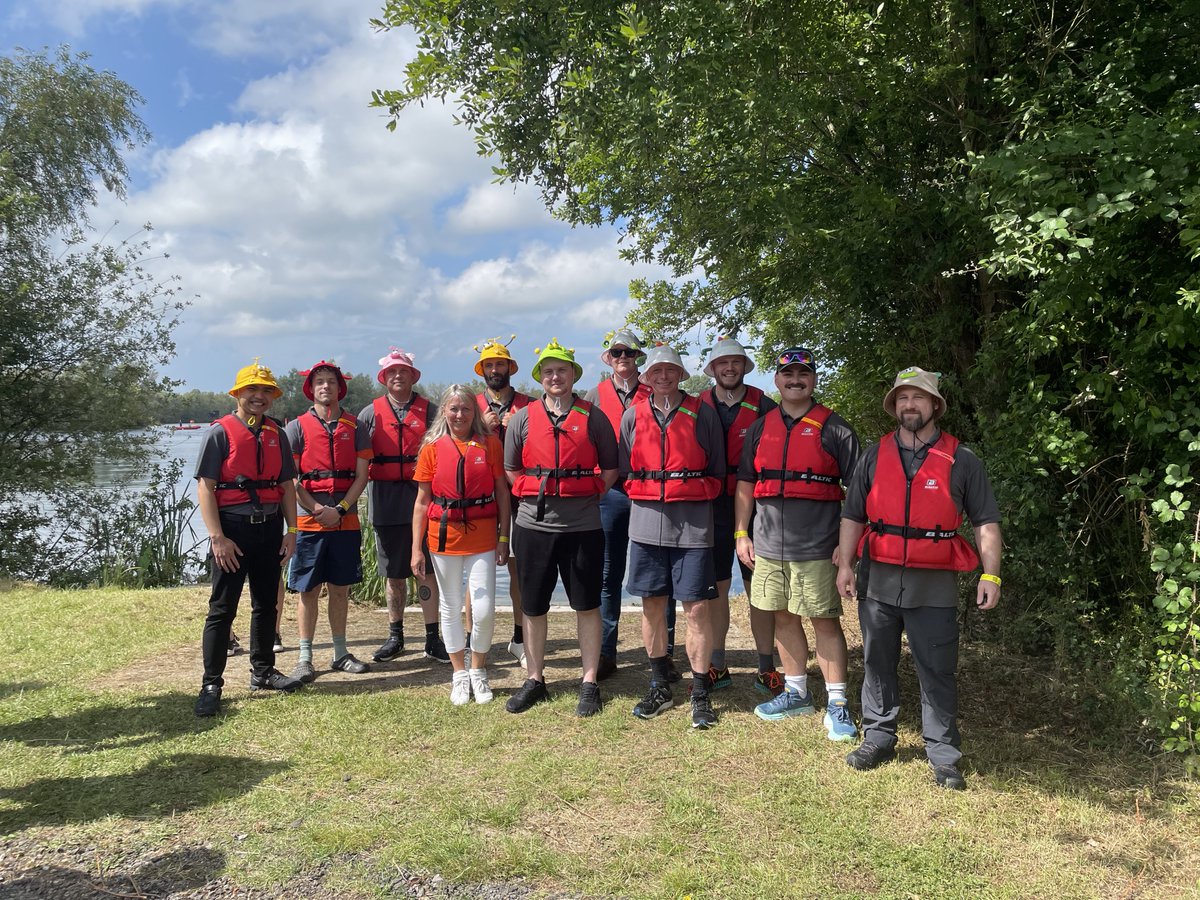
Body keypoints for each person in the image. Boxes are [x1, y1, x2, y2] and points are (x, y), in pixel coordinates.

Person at [836, 367, 1002, 790]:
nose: (910, 405)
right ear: (895, 406)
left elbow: (985, 522)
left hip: (934, 582)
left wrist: (992, 575)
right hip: (879, 576)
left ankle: (944, 755)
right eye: (903, 399)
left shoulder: (962, 459)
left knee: (937, 668)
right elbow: (853, 515)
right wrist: (844, 566)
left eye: (919, 398)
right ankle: (878, 736)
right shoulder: (873, 455)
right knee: (876, 661)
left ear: (934, 405)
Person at [734, 347, 860, 741]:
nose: (795, 380)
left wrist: (847, 545)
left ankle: (837, 702)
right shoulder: (760, 427)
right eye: (788, 374)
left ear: (814, 380)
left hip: (819, 546)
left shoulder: (836, 429)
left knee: (824, 620)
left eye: (803, 373)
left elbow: (859, 492)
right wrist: (742, 532)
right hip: (769, 546)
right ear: (776, 380)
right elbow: (745, 485)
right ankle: (796, 692)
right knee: (783, 617)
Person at [503, 339, 619, 716]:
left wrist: (588, 494)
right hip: (533, 525)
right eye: (548, 371)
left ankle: (589, 682)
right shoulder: (522, 418)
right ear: (541, 377)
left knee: (587, 604)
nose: (556, 377)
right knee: (534, 605)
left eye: (562, 371)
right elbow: (511, 468)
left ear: (573, 375)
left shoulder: (592, 417)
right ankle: (535, 679)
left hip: (583, 525)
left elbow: (611, 467)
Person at [619, 344, 724, 729]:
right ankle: (660, 684)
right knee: (652, 605)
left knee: (696, 608)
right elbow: (624, 466)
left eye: (670, 370)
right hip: (647, 522)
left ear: (681, 375)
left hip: (693, 523)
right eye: (655, 372)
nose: (663, 377)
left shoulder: (703, 414)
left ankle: (699, 692)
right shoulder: (633, 416)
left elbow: (717, 467)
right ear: (646, 378)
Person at [193, 361, 303, 717]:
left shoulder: (277, 433)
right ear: (238, 394)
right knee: (222, 608)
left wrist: (292, 531)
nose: (259, 397)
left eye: (266, 391)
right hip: (232, 530)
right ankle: (212, 683)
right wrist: (217, 538)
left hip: (269, 528)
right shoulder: (219, 433)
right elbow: (206, 488)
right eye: (252, 390)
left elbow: (286, 486)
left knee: (265, 604)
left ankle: (263, 671)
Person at [411, 385, 511, 705]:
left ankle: (479, 671)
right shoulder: (431, 447)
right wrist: (416, 548)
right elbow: (422, 502)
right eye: (453, 408)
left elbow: (503, 495)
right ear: (444, 411)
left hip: (483, 536)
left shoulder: (490, 444)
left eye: (466, 409)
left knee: (481, 609)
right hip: (443, 537)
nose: (459, 415)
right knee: (451, 606)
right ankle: (459, 674)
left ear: (476, 412)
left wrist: (503, 537)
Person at [697, 336, 779, 694]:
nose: (729, 368)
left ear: (744, 367)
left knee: (757, 587)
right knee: (716, 588)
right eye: (722, 363)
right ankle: (717, 665)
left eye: (735, 363)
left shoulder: (765, 405)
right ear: (712, 369)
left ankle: (766, 667)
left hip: (755, 506)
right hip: (711, 505)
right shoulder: (697, 404)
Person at [359, 348, 450, 664]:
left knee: (425, 570)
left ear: (413, 376)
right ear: (384, 378)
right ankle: (395, 635)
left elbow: (448, 450)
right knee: (393, 573)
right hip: (385, 500)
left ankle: (431, 638)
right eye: (392, 372)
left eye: (404, 371)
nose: (398, 376)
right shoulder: (369, 414)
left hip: (423, 497)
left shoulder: (431, 411)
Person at [284, 361, 373, 682]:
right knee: (308, 590)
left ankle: (340, 653)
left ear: (339, 388)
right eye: (320, 382)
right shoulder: (296, 428)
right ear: (311, 388)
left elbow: (362, 476)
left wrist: (342, 507)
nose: (326, 387)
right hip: (310, 523)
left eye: (331, 382)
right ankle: (305, 657)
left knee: (340, 588)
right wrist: (317, 510)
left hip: (345, 521)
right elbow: (291, 481)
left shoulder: (356, 427)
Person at [584, 328, 653, 680]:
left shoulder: (653, 390)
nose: (623, 358)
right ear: (608, 358)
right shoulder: (594, 395)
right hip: (610, 494)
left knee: (656, 577)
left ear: (638, 357)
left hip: (649, 495)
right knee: (608, 576)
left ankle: (663, 652)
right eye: (617, 353)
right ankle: (607, 651)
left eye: (629, 353)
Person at [473, 336, 528, 665]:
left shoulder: (529, 405)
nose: (495, 369)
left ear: (510, 368)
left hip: (520, 498)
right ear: (482, 370)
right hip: (481, 499)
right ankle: (474, 639)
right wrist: (484, 430)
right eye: (489, 365)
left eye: (500, 364)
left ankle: (520, 638)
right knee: (475, 572)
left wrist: (517, 428)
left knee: (519, 569)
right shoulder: (471, 406)